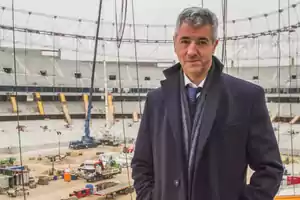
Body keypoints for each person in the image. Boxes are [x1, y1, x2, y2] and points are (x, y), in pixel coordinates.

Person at [131, 6, 284, 200]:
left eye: (201, 42)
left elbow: (270, 168)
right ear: (175, 43)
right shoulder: (156, 100)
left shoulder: (247, 97)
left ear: (214, 45)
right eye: (185, 41)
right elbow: (141, 165)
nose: (191, 51)